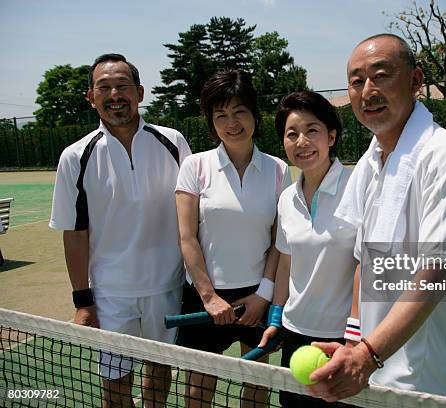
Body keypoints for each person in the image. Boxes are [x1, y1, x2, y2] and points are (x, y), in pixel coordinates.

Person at [307, 34, 446, 402]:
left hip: (426, 381)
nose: (367, 91)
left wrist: (367, 355)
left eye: (381, 75)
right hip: (377, 369)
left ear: (416, 81)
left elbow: (439, 272)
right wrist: (354, 341)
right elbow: (364, 260)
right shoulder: (370, 160)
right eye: (356, 81)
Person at [49, 53, 192, 407]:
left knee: (159, 374)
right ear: (91, 97)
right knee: (115, 387)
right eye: (104, 87)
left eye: (122, 85)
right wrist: (83, 301)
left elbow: (193, 216)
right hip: (111, 295)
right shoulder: (75, 156)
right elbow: (75, 232)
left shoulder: (173, 141)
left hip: (168, 286)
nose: (115, 94)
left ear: (140, 92)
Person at [175, 69, 291, 408]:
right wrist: (209, 296)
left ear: (254, 114)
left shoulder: (279, 170)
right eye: (220, 115)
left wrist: (263, 295)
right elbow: (186, 237)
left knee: (257, 388)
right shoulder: (194, 166)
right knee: (198, 389)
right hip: (204, 299)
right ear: (211, 122)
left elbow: (279, 242)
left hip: (257, 297)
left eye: (239, 111)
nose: (231, 122)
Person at [257, 91, 358, 408]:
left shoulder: (359, 188)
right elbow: (287, 264)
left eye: (312, 130)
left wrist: (355, 338)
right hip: (295, 334)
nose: (302, 141)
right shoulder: (287, 198)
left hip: (344, 340)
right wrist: (276, 318)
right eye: (291, 134)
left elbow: (368, 265)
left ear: (331, 135)